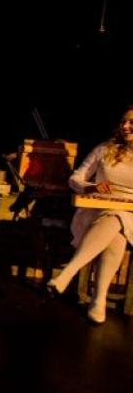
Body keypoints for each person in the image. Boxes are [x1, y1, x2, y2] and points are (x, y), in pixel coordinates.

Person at [48, 106, 133, 323]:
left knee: (118, 219)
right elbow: (75, 179)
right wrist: (91, 187)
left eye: (131, 122)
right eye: (123, 121)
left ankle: (68, 272)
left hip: (131, 213)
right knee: (116, 225)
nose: (125, 126)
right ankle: (98, 299)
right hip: (97, 209)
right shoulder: (105, 149)